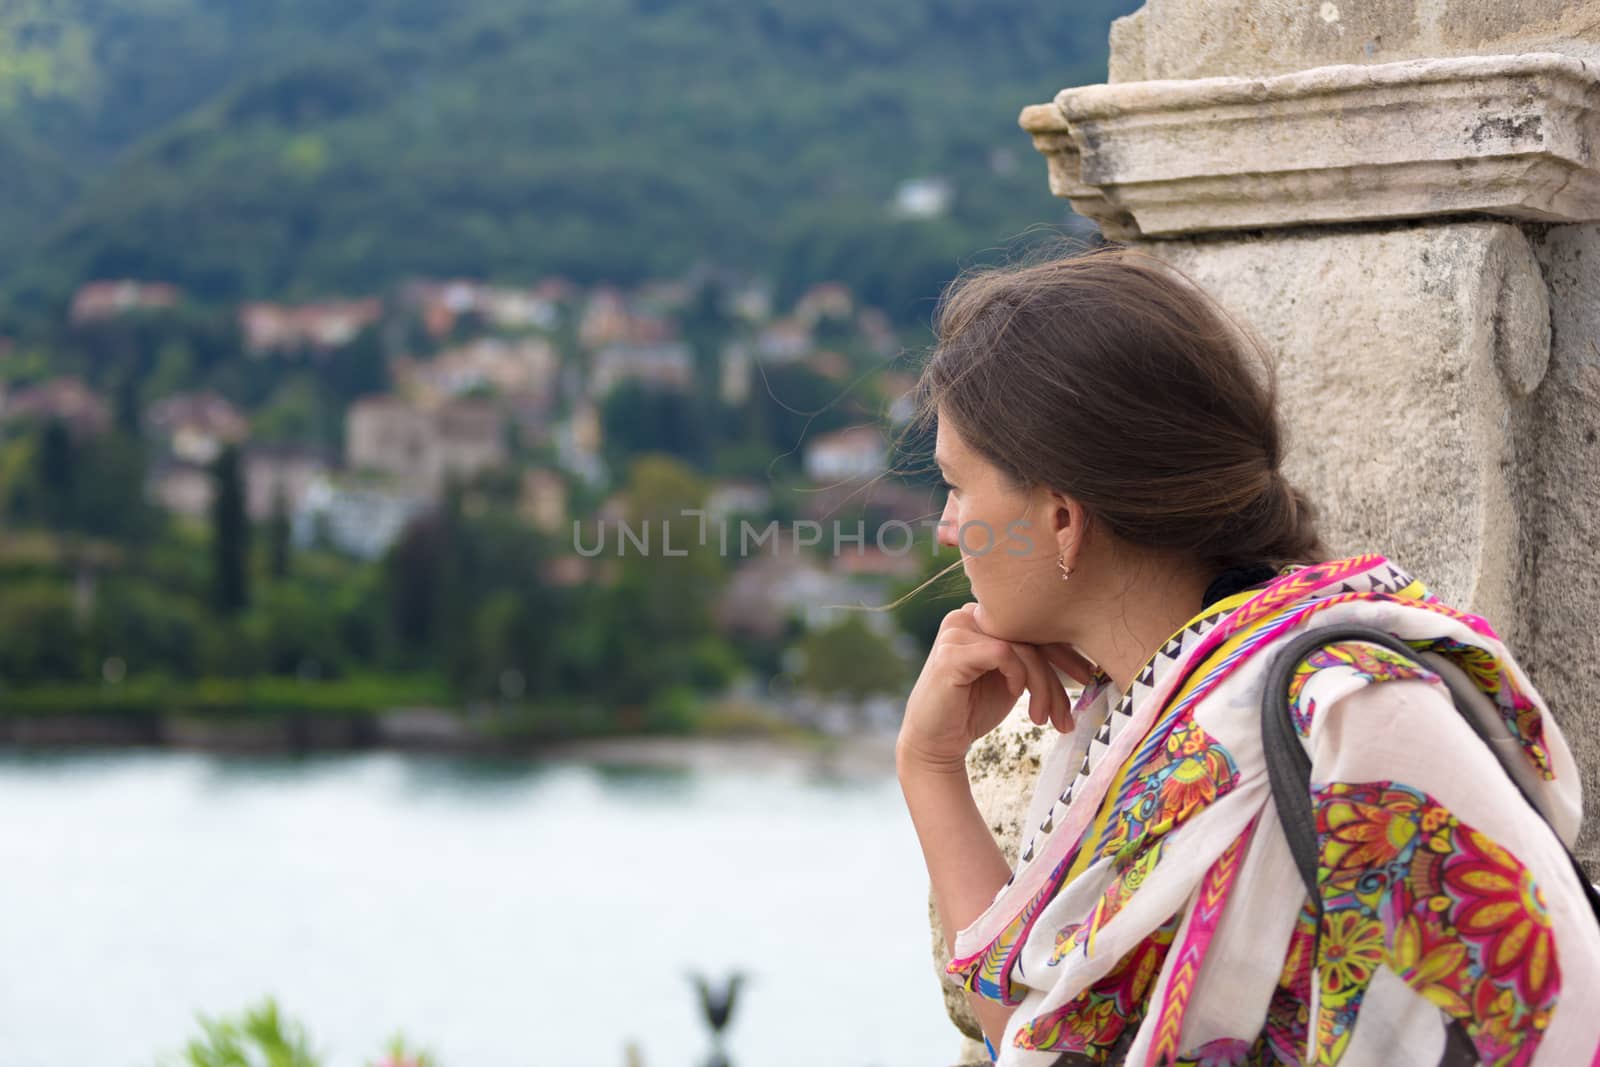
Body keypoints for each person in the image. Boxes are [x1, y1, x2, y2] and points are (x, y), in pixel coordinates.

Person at [894, 246, 1600, 1066]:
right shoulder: (1138, 720)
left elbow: (1560, 1017)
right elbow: (1035, 1037)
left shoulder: (1345, 710)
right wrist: (931, 764)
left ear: (1060, 518)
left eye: (957, 486)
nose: (948, 528)